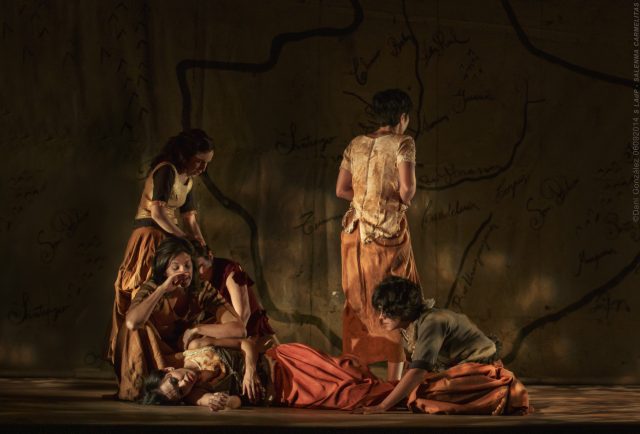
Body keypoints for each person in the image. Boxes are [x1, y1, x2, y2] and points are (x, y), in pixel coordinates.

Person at [108, 129, 214, 367]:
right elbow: (157, 212)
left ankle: (161, 362)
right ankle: (137, 363)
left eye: (207, 163)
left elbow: (190, 219)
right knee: (145, 294)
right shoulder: (166, 170)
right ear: (186, 154)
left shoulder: (188, 180)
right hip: (149, 237)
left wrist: (202, 245)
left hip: (169, 239)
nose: (203, 168)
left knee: (168, 300)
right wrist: (185, 240)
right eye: (199, 161)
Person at [336, 89, 421, 381]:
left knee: (358, 301)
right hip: (388, 235)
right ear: (403, 117)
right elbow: (407, 189)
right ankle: (394, 382)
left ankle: (358, 378)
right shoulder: (403, 142)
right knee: (395, 300)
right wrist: (394, 199)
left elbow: (341, 189)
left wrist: (365, 200)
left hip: (355, 235)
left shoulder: (355, 144)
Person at [356, 276, 531, 415]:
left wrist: (383, 406)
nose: (380, 317)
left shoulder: (432, 322)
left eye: (386, 312)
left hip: (480, 369)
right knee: (404, 390)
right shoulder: (410, 327)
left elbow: (417, 371)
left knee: (425, 393)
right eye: (380, 310)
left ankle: (493, 392)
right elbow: (413, 366)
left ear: (402, 308)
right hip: (457, 369)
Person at [114, 237, 246, 400]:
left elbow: (239, 329)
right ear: (164, 270)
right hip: (154, 357)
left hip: (185, 358)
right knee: (135, 327)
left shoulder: (201, 289)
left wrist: (196, 329)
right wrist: (163, 289)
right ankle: (139, 391)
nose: (184, 271)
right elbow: (131, 323)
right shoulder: (152, 288)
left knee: (221, 338)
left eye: (188, 265)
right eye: (175, 267)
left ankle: (186, 389)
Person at [141, 337, 395, 411]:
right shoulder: (195, 394)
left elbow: (246, 343)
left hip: (283, 361)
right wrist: (223, 402)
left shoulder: (197, 347)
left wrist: (250, 370)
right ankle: (405, 391)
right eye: (180, 392)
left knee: (347, 370)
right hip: (284, 390)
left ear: (168, 370)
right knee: (349, 396)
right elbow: (234, 401)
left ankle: (399, 388)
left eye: (174, 381)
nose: (184, 384)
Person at [193, 244, 276, 344]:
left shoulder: (229, 271)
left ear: (210, 256)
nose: (197, 273)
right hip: (228, 331)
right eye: (194, 269)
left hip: (251, 332)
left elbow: (243, 316)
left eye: (200, 266)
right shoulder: (197, 281)